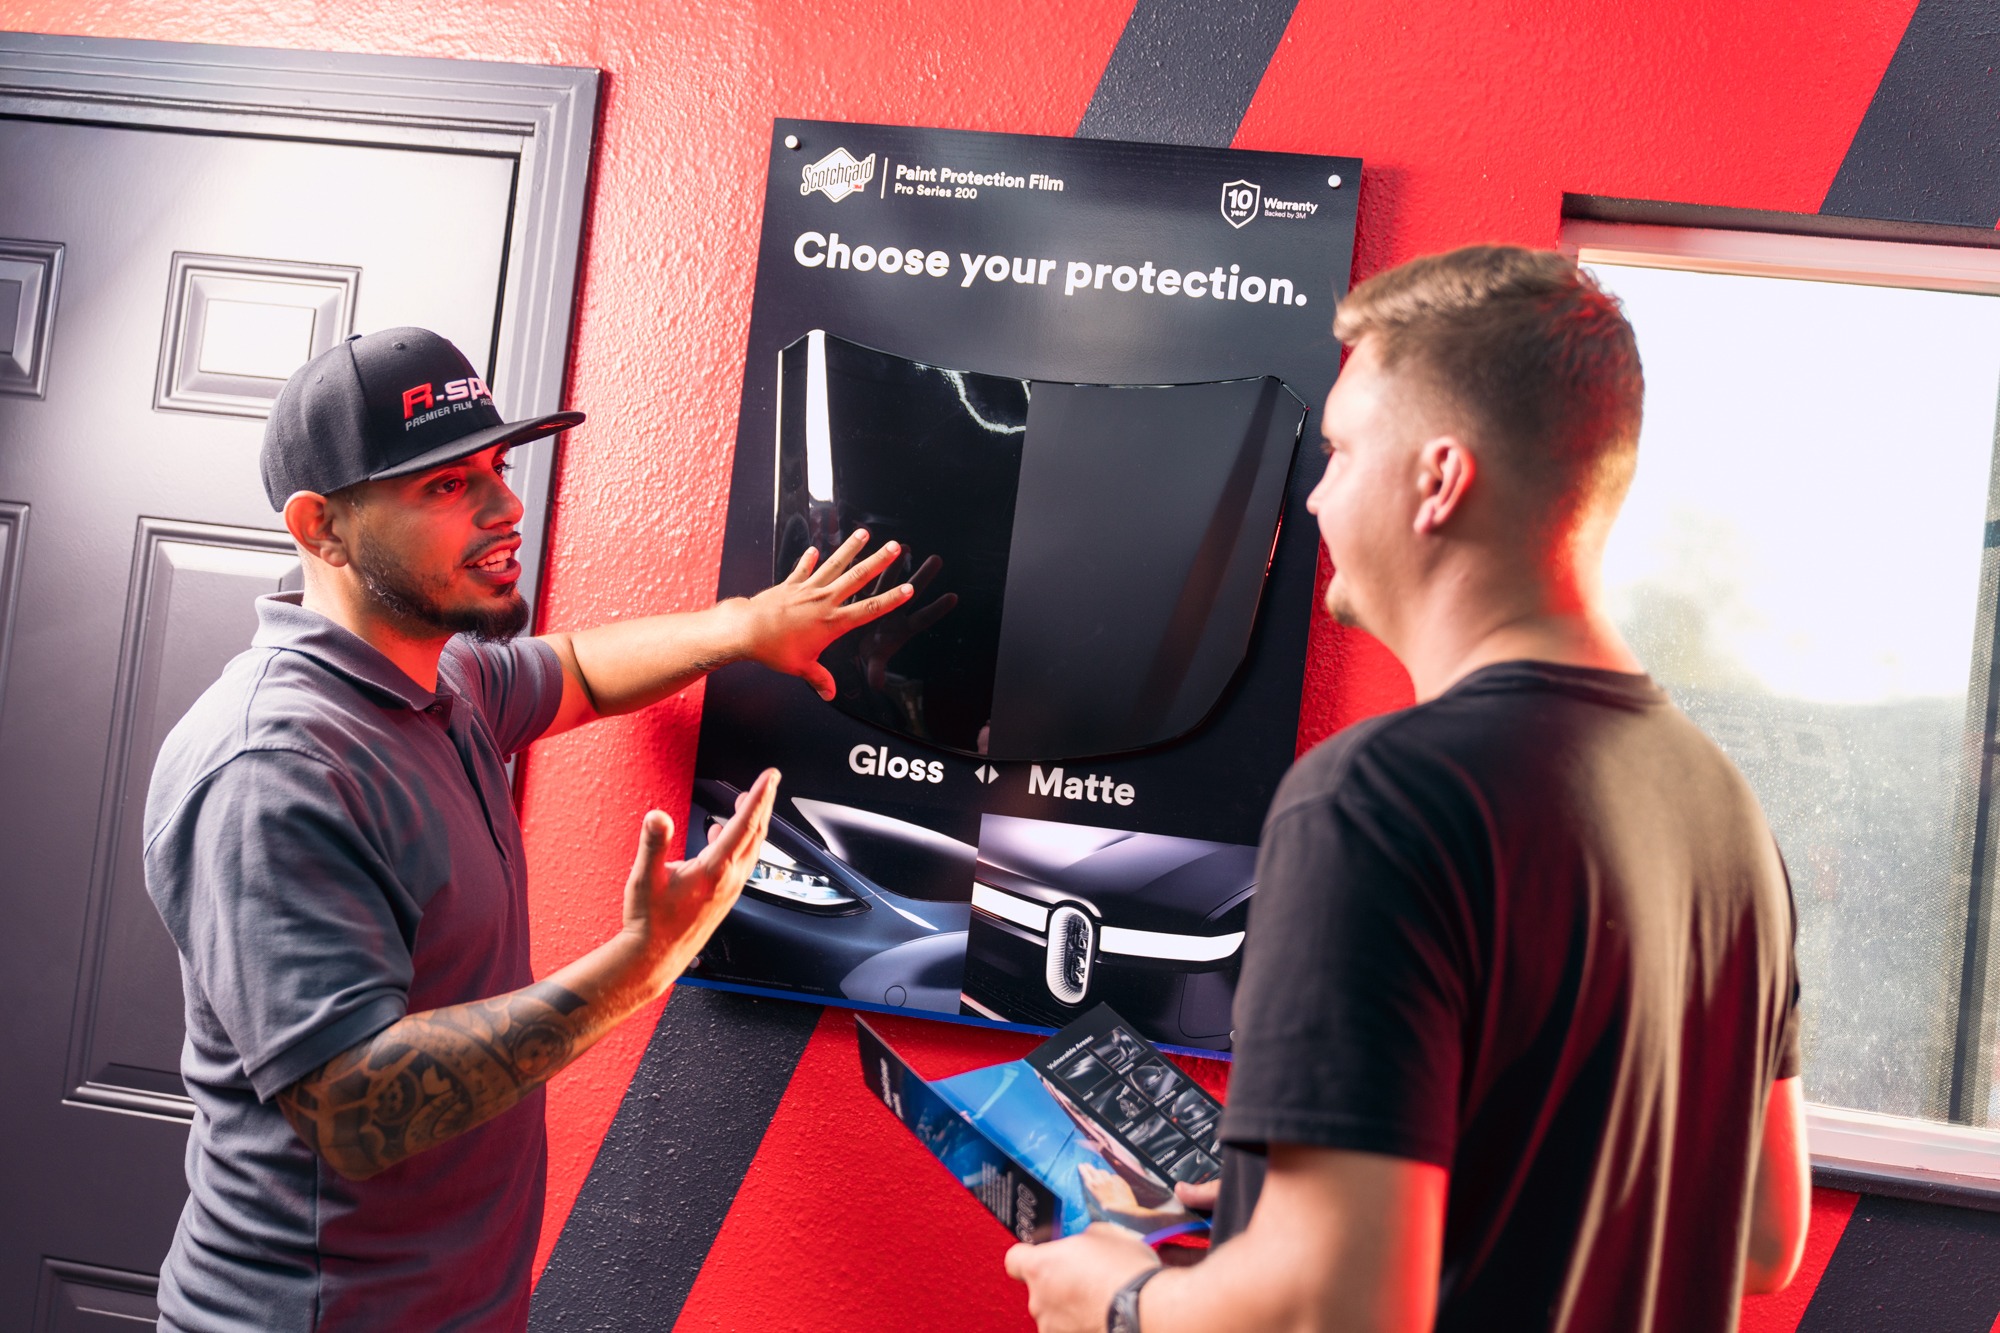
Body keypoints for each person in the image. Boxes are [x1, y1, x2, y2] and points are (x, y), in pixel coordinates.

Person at [1005, 247, 1810, 1333]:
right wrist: (1306, 1194)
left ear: (1438, 480)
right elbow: (1760, 1234)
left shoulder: (1375, 801)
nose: (1314, 492)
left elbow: (1336, 1309)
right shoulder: (1722, 808)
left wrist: (1120, 1299)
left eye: (1340, 450)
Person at [143, 327, 911, 1331]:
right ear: (320, 526)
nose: (506, 508)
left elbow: (578, 669)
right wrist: (634, 969)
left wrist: (747, 626)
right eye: (446, 485)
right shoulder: (275, 766)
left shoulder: (443, 678)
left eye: (498, 469)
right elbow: (352, 1109)